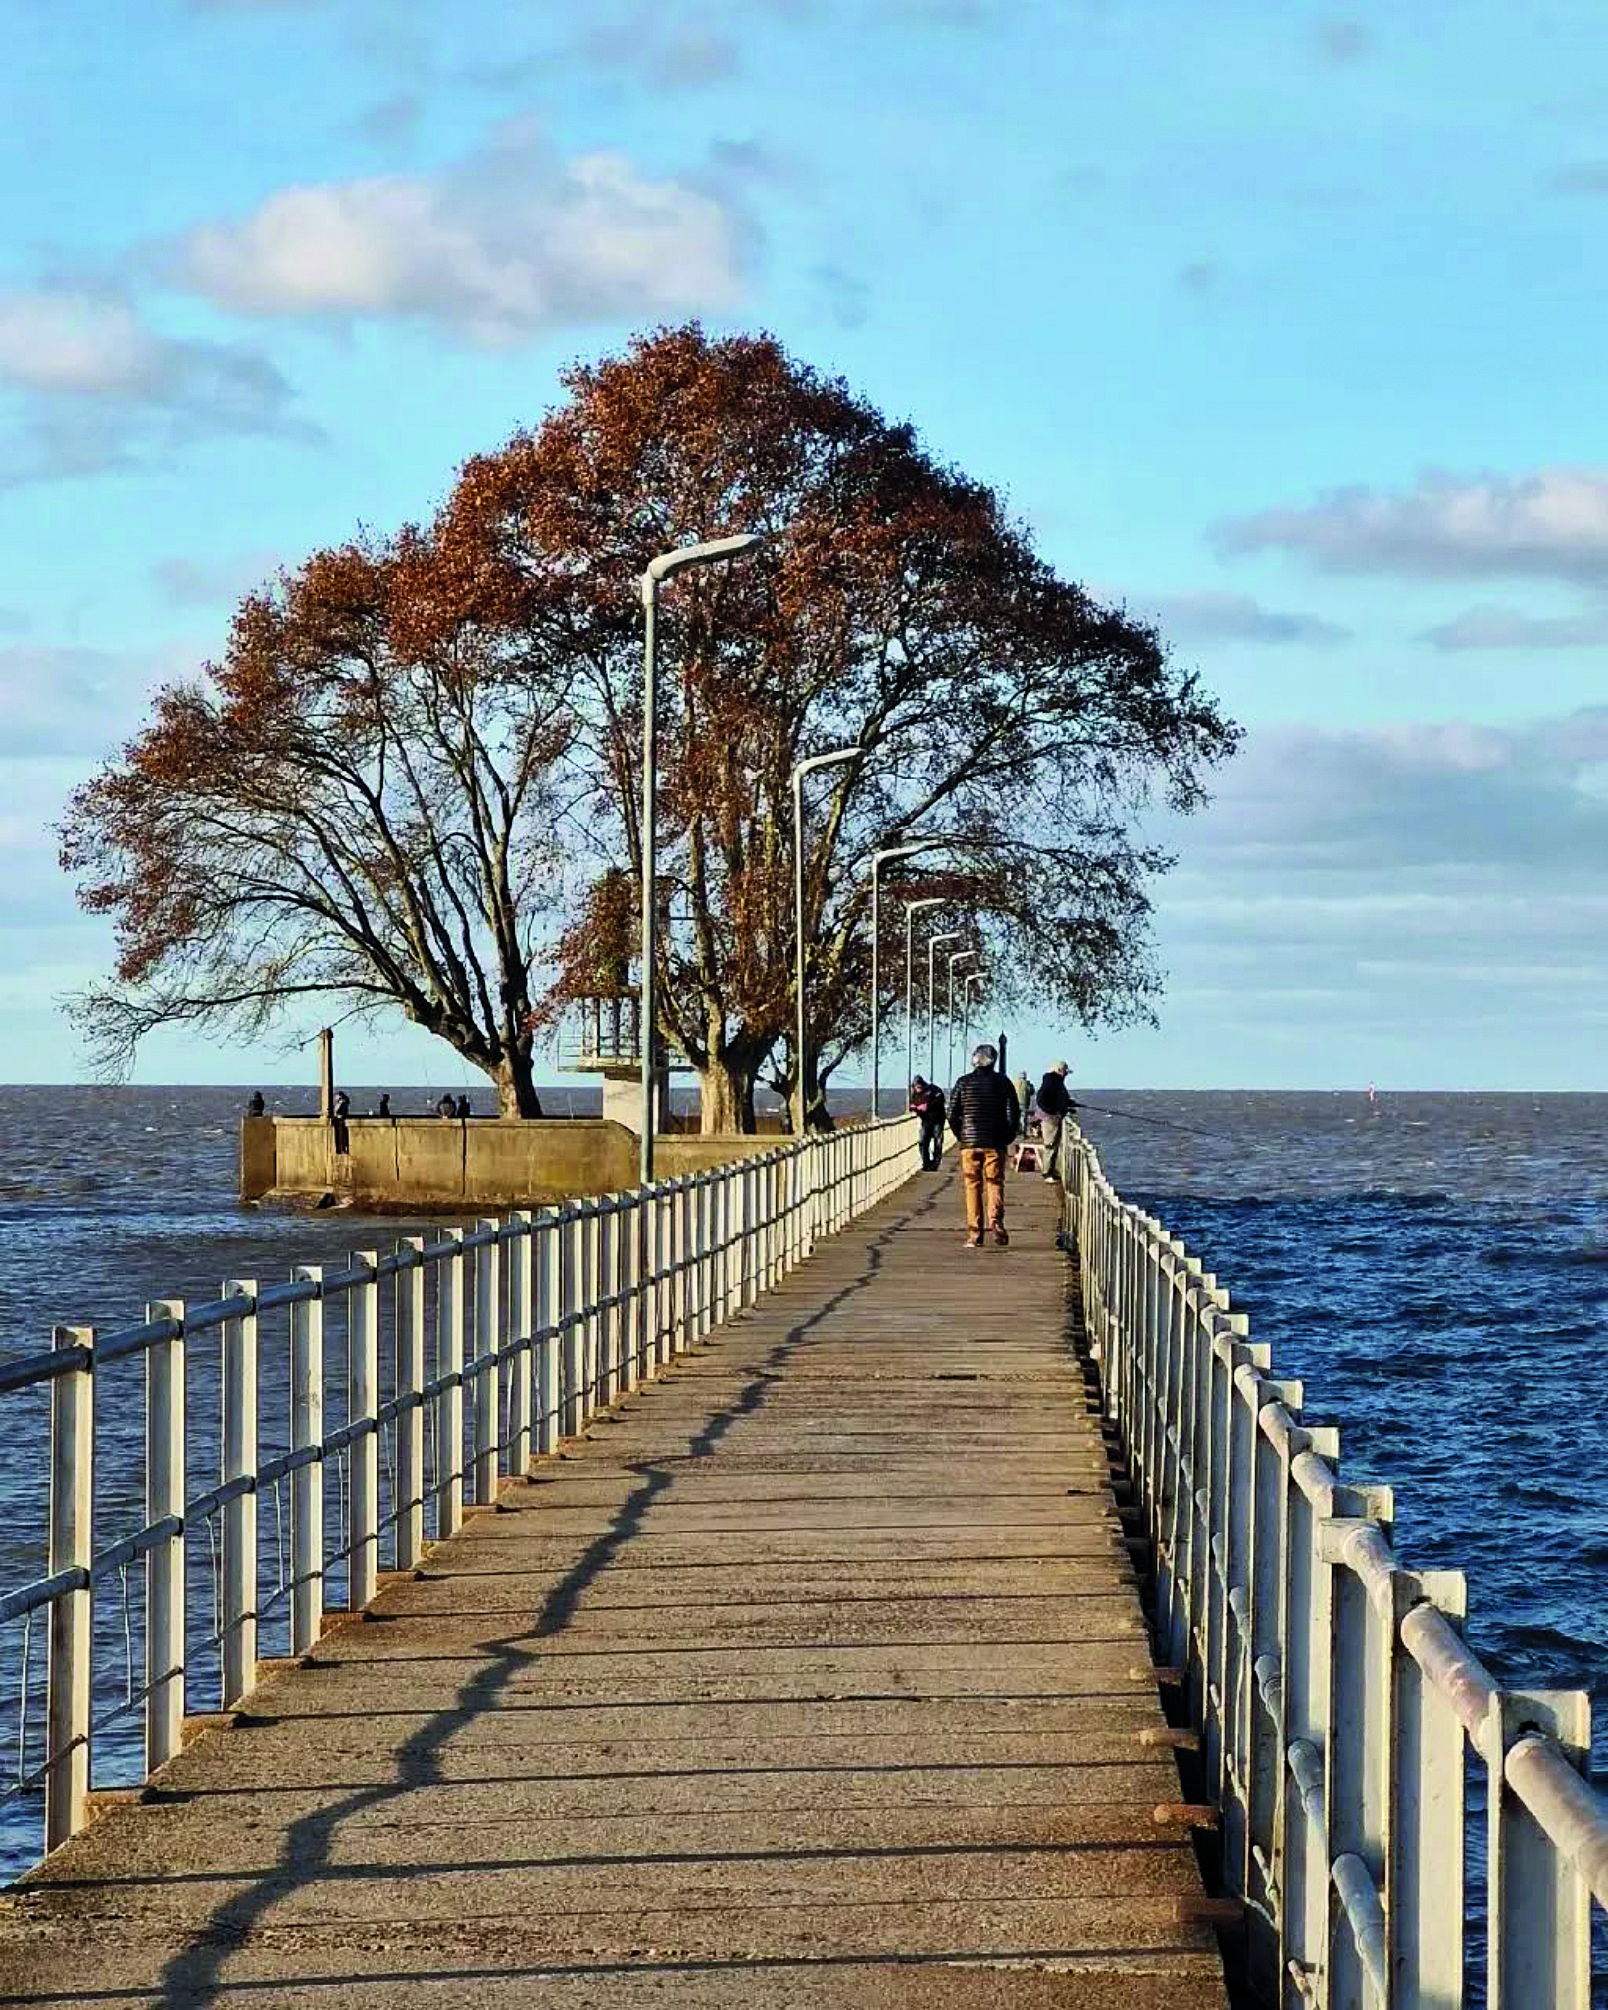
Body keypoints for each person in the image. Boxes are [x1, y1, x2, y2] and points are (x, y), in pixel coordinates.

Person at [947, 1043, 1020, 1249]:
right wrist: (1007, 1137)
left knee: (972, 1186)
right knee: (994, 1182)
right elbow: (1013, 1113)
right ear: (993, 1060)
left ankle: (974, 1233)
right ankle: (995, 1221)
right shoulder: (1004, 1082)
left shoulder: (963, 1083)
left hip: (969, 1143)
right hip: (994, 1142)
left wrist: (962, 1136)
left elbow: (952, 1113)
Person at [1035, 1061, 1076, 1179]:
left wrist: (1068, 1104)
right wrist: (1054, 1111)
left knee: (1054, 1146)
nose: (1066, 1075)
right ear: (1059, 1070)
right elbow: (1041, 1099)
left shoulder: (1055, 1081)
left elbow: (1059, 1098)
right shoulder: (1052, 1082)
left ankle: (1051, 1171)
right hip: (1050, 1119)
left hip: (1053, 1117)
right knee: (1050, 1145)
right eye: (1065, 1072)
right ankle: (1047, 1173)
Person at [909, 1076, 946, 1171]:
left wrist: (928, 1106)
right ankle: (926, 1163)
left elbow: (940, 1100)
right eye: (916, 1087)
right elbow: (913, 1104)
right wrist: (914, 1108)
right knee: (923, 1142)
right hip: (926, 1121)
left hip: (937, 1119)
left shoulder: (934, 1089)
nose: (918, 1089)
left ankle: (935, 1163)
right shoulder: (915, 1095)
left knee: (937, 1142)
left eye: (919, 1087)